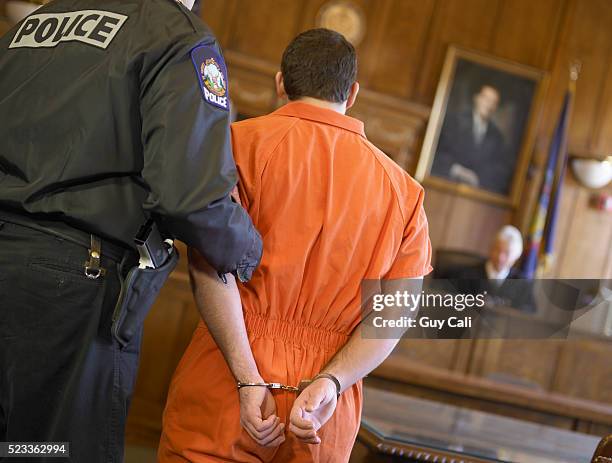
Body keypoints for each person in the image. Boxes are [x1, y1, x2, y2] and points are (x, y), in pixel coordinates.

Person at [0, 1, 262, 462]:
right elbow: (191, 197)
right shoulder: (179, 37)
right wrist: (251, 248)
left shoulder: (39, 23)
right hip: (69, 287)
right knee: (53, 451)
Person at [159, 28, 432, 463]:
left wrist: (249, 379)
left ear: (280, 82)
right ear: (353, 93)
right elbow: (394, 314)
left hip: (229, 372)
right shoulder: (406, 192)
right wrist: (332, 382)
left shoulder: (234, 147)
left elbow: (210, 268)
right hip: (324, 407)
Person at [432, 84, 512, 194]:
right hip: (446, 186)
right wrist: (456, 170)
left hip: (476, 194)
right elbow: (440, 152)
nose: (488, 105)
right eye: (486, 99)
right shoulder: (455, 122)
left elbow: (496, 169)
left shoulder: (497, 137)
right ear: (477, 98)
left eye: (493, 102)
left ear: (495, 108)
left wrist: (477, 178)